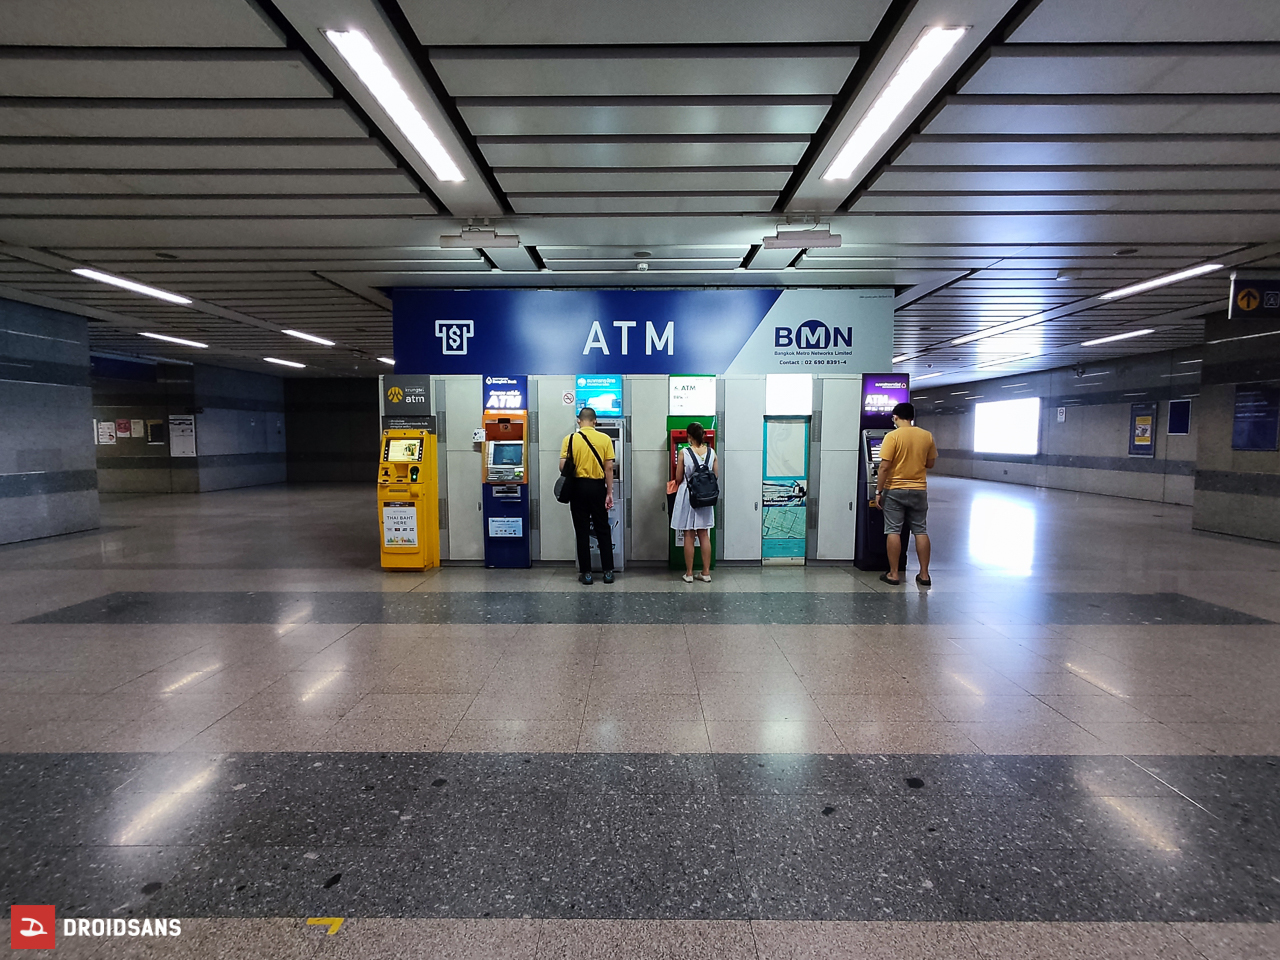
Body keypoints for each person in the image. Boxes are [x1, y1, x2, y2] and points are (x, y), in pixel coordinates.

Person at [875, 402, 937, 587]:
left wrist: (879, 491)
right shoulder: (926, 435)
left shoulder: (892, 436)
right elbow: (930, 463)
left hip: (895, 489)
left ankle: (894, 574)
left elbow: (884, 467)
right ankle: (924, 575)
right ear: (912, 417)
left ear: (895, 417)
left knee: (893, 530)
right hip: (919, 489)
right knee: (920, 530)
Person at [559, 406, 616, 585]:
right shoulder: (605, 439)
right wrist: (609, 492)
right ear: (594, 421)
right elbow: (609, 468)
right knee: (603, 529)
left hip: (577, 488)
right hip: (597, 487)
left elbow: (562, 467)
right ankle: (608, 572)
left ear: (579, 421)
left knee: (582, 530)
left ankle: (587, 574)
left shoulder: (569, 439)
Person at [670, 422, 718, 583]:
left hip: (688, 495)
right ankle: (706, 573)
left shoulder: (684, 452)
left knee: (689, 535)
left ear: (689, 436)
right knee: (704, 534)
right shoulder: (712, 452)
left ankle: (689, 573)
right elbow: (715, 476)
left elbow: (678, 477)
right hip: (705, 496)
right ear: (703, 435)